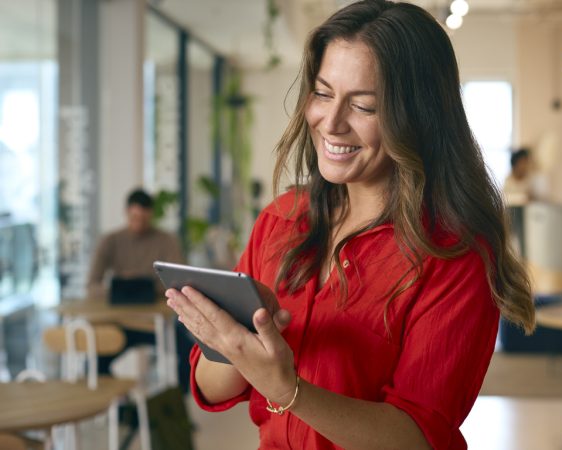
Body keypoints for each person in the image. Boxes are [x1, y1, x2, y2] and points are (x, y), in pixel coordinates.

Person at [164, 1, 535, 448]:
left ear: (417, 117)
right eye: (322, 93)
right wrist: (232, 340)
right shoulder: (282, 219)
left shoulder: (454, 255)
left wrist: (287, 389)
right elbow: (211, 387)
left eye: (363, 106)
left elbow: (418, 437)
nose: (332, 123)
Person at [87, 188, 192, 389]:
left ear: (151, 215)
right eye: (134, 217)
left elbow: (179, 282)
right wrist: (130, 289)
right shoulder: (110, 241)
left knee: (190, 354)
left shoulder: (166, 241)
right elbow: (91, 285)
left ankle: (175, 401)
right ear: (126, 213)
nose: (138, 224)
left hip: (157, 323)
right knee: (94, 364)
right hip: (119, 323)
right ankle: (123, 407)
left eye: (143, 218)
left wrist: (136, 287)